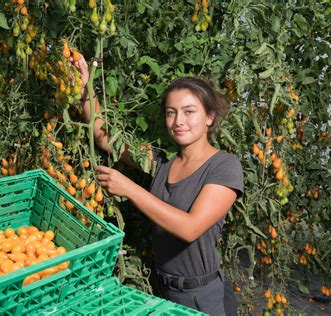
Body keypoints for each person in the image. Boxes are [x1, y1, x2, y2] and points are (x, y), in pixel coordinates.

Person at [73, 54, 243, 316]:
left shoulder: (224, 167)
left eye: (189, 112)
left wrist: (130, 189)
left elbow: (189, 228)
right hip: (159, 288)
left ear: (209, 117)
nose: (178, 121)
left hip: (201, 297)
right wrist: (86, 85)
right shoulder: (160, 162)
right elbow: (104, 137)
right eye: (171, 113)